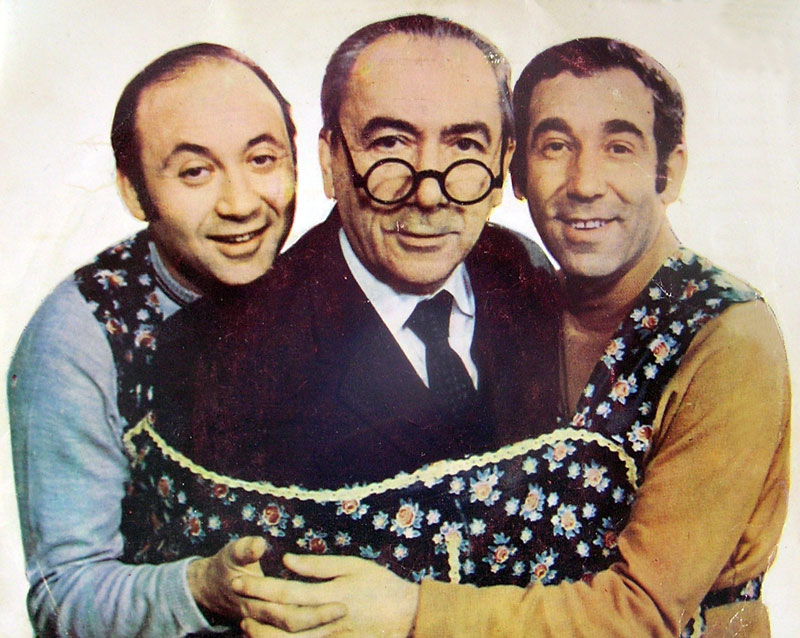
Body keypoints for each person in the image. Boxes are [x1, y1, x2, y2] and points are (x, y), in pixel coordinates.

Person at [244, 37, 789, 638]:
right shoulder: (527, 287)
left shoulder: (728, 338)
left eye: (619, 147)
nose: (585, 182)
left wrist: (410, 612)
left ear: (670, 171)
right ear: (517, 172)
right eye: (556, 146)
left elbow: (643, 613)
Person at [148, 14, 560, 637]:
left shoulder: (525, 273)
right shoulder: (216, 352)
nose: (429, 194)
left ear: (503, 165)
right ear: (330, 161)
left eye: (465, 147)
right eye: (390, 144)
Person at [8, 43, 299, 637]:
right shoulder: (79, 337)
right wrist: (201, 589)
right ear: (134, 192)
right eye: (195, 172)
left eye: (262, 159)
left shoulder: (325, 277)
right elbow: (63, 596)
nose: (241, 204)